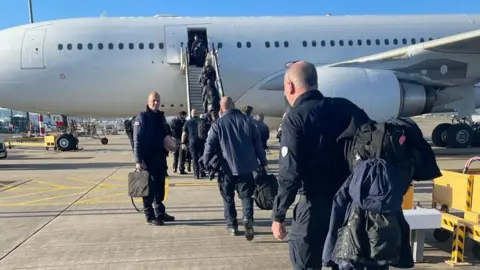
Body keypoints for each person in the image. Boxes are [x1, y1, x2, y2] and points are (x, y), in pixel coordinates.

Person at [270, 61, 370, 270]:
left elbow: (290, 172)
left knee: (305, 263)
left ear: (290, 86)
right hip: (349, 207)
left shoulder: (296, 118)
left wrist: (278, 215)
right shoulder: (346, 107)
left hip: (314, 208)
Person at [202, 96, 268, 240]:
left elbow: (209, 146)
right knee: (246, 196)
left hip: (226, 169)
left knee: (228, 198)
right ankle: (248, 218)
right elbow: (258, 143)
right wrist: (263, 161)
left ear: (221, 108)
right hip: (246, 168)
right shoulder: (248, 121)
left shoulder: (217, 124)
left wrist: (206, 163)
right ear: (233, 106)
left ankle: (232, 226)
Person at [133, 92, 178, 226]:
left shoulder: (161, 118)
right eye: (154, 101)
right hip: (148, 159)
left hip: (160, 157)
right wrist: (138, 160)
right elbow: (137, 140)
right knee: (149, 189)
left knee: (160, 187)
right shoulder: (142, 117)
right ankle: (149, 215)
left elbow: (166, 134)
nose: (156, 103)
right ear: (148, 102)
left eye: (158, 101)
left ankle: (160, 212)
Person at [181, 109, 205, 179]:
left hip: (192, 140)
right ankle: (202, 171)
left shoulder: (188, 122)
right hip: (200, 140)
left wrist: (183, 143)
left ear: (191, 114)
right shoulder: (201, 121)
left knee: (194, 157)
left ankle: (196, 174)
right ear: (196, 114)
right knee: (201, 156)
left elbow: (184, 133)